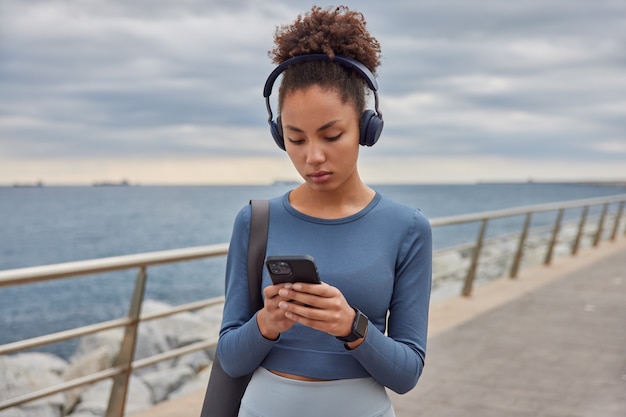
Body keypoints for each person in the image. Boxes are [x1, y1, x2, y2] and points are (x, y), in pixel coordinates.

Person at [217, 6, 432, 417]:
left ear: (366, 129)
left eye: (332, 135)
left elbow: (406, 375)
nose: (313, 156)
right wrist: (268, 322)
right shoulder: (255, 220)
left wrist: (351, 325)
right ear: (279, 135)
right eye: (295, 139)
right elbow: (230, 357)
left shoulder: (407, 228)